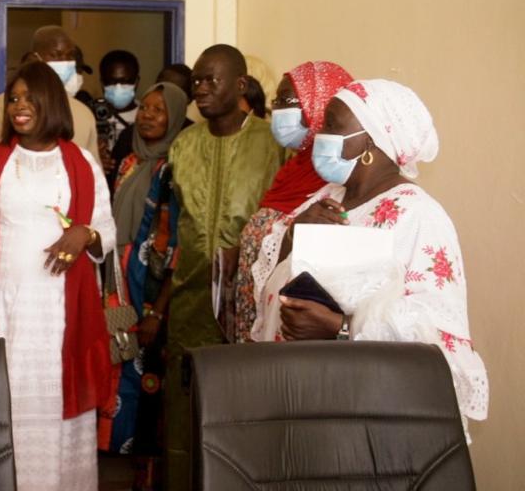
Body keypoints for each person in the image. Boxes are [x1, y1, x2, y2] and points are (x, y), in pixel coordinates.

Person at [249, 79, 489, 434]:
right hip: (298, 396)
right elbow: (270, 270)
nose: (319, 134)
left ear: (371, 142)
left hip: (365, 415)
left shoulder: (418, 215)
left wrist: (339, 328)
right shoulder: (328, 196)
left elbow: (434, 333)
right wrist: (292, 236)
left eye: (332, 125)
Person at [0, 60, 115, 491]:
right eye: (14, 99)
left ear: (51, 102)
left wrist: (83, 233)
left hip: (61, 318)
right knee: (5, 410)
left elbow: (107, 234)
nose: (19, 107)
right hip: (4, 309)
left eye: (29, 98)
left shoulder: (81, 163)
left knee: (59, 416)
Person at [164, 44, 285, 490]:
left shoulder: (272, 144)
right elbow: (173, 228)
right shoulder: (184, 144)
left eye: (212, 80)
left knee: (243, 409)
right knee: (184, 410)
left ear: (239, 86)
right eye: (197, 80)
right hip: (190, 300)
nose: (201, 88)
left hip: (249, 304)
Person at [100, 82, 189, 490]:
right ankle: (119, 458)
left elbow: (178, 244)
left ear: (175, 116)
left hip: (152, 290)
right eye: (146, 108)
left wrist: (157, 310)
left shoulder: (177, 167)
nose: (149, 115)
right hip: (118, 280)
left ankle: (149, 471)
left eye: (160, 110)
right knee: (119, 364)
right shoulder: (130, 160)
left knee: (150, 373)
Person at [233, 61, 352, 342]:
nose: (277, 108)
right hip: (256, 314)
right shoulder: (294, 169)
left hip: (289, 331)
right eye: (277, 99)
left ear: (320, 104)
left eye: (287, 99)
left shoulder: (333, 184)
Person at [0, 26, 101, 161]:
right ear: (34, 58)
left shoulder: (83, 112)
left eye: (69, 56)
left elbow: (91, 172)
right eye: (56, 55)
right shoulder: (5, 106)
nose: (65, 62)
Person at [92, 50, 141, 186]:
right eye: (111, 82)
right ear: (102, 82)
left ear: (136, 81)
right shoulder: (88, 116)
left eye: (125, 82)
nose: (118, 87)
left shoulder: (146, 118)